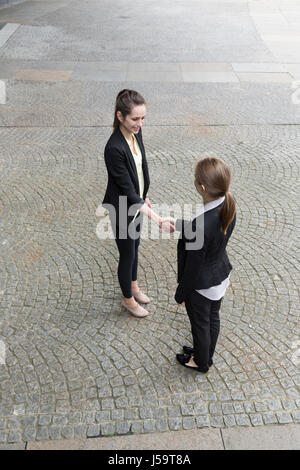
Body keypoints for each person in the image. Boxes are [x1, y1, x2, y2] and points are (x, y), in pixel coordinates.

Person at [102, 89, 174, 318]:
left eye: (143, 118)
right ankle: (128, 300)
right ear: (120, 116)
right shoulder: (113, 148)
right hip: (123, 209)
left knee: (135, 248)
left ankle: (133, 287)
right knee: (127, 254)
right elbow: (126, 191)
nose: (140, 124)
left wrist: (146, 194)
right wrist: (158, 219)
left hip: (138, 203)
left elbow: (141, 169)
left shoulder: (135, 134)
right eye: (135, 119)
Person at [171, 156, 236, 373]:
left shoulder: (201, 225)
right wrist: (180, 226)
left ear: (202, 186)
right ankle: (205, 353)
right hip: (219, 276)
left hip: (201, 285)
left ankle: (200, 362)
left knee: (200, 325)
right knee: (212, 318)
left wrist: (181, 294)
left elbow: (193, 268)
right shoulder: (228, 203)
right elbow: (208, 234)